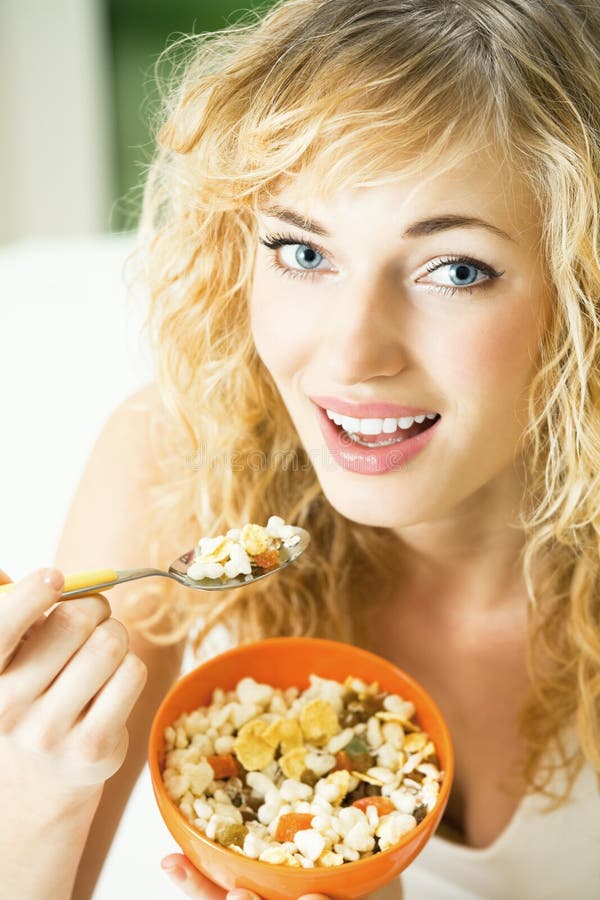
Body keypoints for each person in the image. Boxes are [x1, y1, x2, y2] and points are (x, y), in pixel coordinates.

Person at [3, 0, 600, 897]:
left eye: (456, 270)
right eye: (303, 252)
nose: (352, 355)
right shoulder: (176, 462)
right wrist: (40, 781)